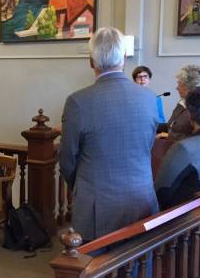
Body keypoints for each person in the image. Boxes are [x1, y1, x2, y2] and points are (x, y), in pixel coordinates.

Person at [60, 27, 160, 242]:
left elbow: (67, 159)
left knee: (94, 262)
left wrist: (82, 186)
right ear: (124, 58)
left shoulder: (78, 102)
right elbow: (148, 146)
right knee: (140, 260)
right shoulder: (150, 98)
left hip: (96, 205)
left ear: (91, 61)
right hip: (142, 200)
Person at [162, 65, 200, 142]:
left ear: (190, 87)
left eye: (179, 84)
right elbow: (171, 125)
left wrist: (169, 135)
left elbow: (198, 140)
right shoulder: (183, 102)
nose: (177, 88)